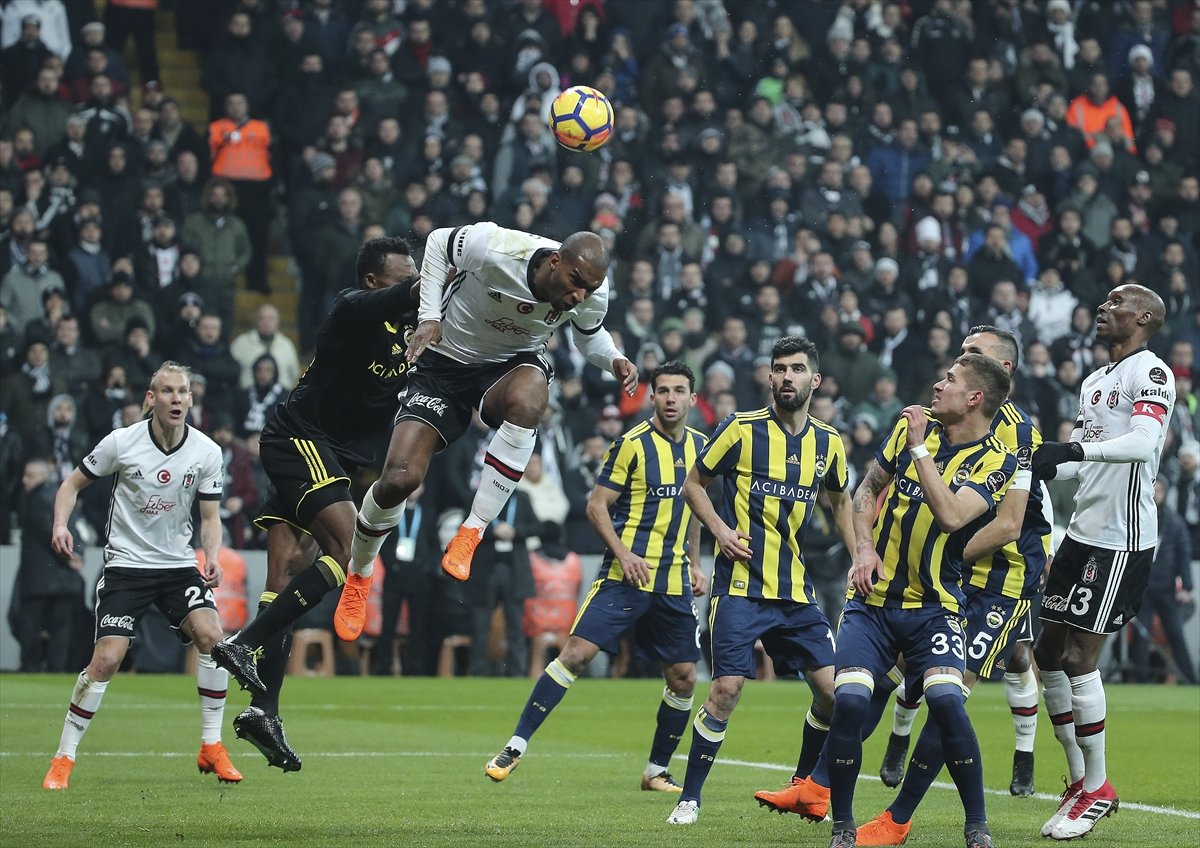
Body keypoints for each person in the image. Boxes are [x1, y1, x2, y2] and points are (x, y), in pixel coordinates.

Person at [295, 221, 636, 648]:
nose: (578, 296)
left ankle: (471, 532)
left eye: (589, 289)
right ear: (554, 261)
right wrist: (430, 316)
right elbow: (438, 242)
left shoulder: (589, 292)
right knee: (399, 480)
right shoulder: (499, 248)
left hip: (509, 366)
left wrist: (615, 360)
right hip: (442, 366)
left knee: (531, 399)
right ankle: (359, 574)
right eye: (575, 283)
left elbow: (590, 337)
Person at [211, 238, 420, 772]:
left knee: (284, 576)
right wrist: (451, 267)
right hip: (300, 438)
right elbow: (410, 296)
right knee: (351, 549)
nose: (416, 284)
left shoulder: (420, 328)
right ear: (375, 281)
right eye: (405, 277)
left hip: (336, 456)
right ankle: (243, 643)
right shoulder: (353, 308)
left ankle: (264, 711)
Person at [844, 327, 1054, 846]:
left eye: (970, 358)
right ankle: (835, 776)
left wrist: (942, 559)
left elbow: (1004, 524)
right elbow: (870, 490)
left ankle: (903, 813)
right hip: (930, 577)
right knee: (886, 679)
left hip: (999, 576)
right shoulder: (930, 426)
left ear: (996, 376)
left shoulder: (1018, 439)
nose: (955, 364)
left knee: (953, 691)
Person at [484, 361, 708, 792]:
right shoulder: (631, 444)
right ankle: (515, 745)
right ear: (651, 397)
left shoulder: (701, 448)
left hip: (675, 580)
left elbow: (696, 511)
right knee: (576, 655)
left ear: (692, 399)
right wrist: (623, 554)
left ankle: (656, 770)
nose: (671, 398)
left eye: (679, 391)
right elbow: (595, 506)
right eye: (663, 391)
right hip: (625, 576)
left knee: (682, 676)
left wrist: (696, 563)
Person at [666, 336, 857, 826]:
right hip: (740, 589)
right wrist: (720, 531)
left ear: (814, 380)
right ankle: (689, 798)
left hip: (794, 591)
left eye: (797, 369)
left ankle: (802, 785)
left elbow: (840, 503)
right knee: (726, 689)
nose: (787, 377)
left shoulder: (828, 443)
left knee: (836, 696)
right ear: (769, 378)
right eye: (779, 369)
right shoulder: (740, 429)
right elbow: (693, 484)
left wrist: (861, 555)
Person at [41, 362, 242, 790]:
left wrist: (211, 555)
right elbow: (70, 486)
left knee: (214, 638)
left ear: (191, 399)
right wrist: (61, 525)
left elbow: (210, 516)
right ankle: (63, 757)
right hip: (126, 567)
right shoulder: (121, 442)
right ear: (150, 399)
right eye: (166, 391)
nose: (175, 399)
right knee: (107, 660)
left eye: (182, 392)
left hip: (175, 567)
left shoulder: (206, 452)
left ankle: (211, 745)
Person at [1030, 283, 1176, 841]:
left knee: (1079, 655)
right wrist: (1041, 461)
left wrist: (1073, 451)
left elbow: (1142, 444)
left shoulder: (1152, 373)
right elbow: (1082, 459)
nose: (1103, 308)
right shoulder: (1095, 381)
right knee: (1048, 651)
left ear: (1143, 318)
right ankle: (1076, 777)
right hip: (1083, 533)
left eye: (1117, 303)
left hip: (1120, 538)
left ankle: (1099, 787)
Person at [16, 457, 85, 672]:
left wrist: (67, 556)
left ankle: (32, 669)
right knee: (61, 632)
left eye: (30, 476)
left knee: (30, 628)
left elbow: (50, 530)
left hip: (39, 579)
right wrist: (75, 555)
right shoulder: (63, 498)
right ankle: (57, 671)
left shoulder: (36, 498)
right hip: (65, 581)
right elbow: (76, 528)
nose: (24, 481)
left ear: (43, 477)